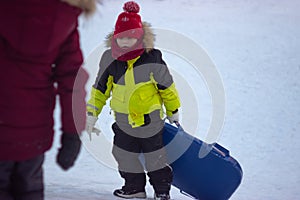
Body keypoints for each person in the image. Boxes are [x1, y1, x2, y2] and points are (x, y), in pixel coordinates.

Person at [0, 0, 97, 199]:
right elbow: (72, 82)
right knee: (29, 188)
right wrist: (72, 132)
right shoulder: (63, 15)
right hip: (33, 133)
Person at [85, 1, 181, 200]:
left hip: (150, 119)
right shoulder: (109, 59)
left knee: (155, 156)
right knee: (123, 154)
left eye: (131, 36)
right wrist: (91, 114)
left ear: (139, 37)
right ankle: (134, 187)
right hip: (123, 119)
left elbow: (167, 88)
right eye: (121, 37)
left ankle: (162, 190)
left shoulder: (152, 58)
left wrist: (173, 111)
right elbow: (99, 90)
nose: (126, 41)